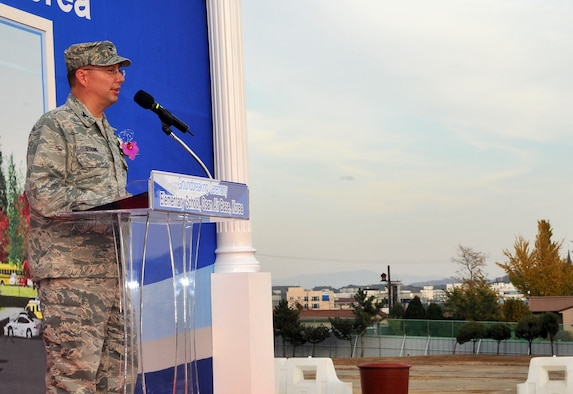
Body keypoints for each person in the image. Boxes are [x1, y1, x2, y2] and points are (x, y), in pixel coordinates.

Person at [25, 41, 134, 393]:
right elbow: (44, 193)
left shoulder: (110, 135)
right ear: (83, 76)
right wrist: (112, 204)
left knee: (116, 380)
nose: (120, 77)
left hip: (114, 275)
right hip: (73, 276)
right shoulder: (56, 126)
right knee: (73, 380)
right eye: (111, 70)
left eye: (120, 70)